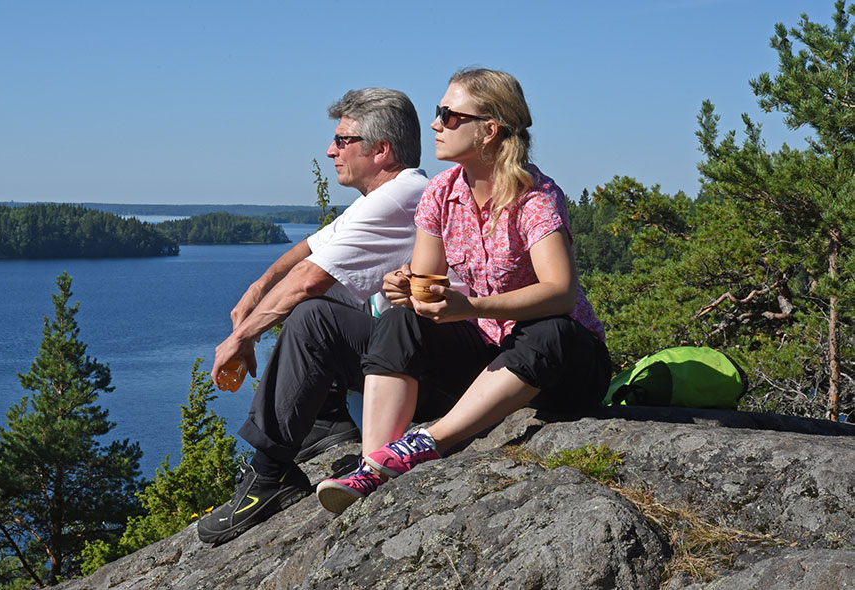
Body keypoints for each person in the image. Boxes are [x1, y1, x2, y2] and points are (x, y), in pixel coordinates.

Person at [316, 68, 612, 515]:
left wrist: (471, 307)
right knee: (401, 318)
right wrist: (406, 286)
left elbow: (561, 294)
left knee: (548, 328)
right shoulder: (441, 192)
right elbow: (427, 283)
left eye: (448, 115)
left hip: (565, 366)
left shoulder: (536, 197)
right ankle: (374, 465)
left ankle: (426, 443)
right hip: (493, 358)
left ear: (489, 130)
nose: (435, 124)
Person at [198, 88, 438, 544]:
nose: (331, 150)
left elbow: (309, 278)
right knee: (316, 308)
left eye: (343, 140)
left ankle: (269, 477)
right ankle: (329, 418)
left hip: (426, 379)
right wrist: (256, 289)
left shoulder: (404, 196)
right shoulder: (384, 196)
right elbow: (310, 247)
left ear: (381, 149)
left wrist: (242, 337)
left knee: (312, 314)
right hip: (403, 363)